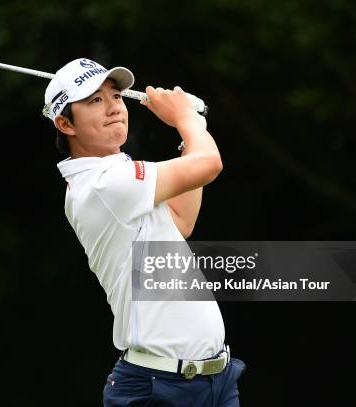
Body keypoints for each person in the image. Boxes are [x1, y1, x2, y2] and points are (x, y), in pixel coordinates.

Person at [43, 58, 246, 406]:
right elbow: (209, 165)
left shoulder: (118, 172)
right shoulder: (103, 185)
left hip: (215, 381)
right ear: (65, 123)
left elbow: (180, 221)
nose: (113, 108)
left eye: (117, 96)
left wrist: (191, 128)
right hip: (159, 389)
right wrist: (184, 118)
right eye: (94, 100)